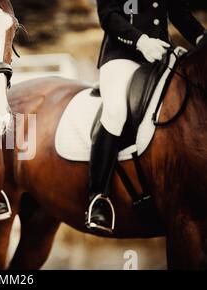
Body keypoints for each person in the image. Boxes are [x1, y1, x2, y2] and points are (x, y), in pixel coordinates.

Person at [86, 0, 206, 234]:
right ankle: (98, 197)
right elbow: (108, 15)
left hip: (162, 56)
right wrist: (141, 41)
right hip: (122, 56)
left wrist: (201, 37)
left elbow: (178, 11)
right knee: (116, 111)